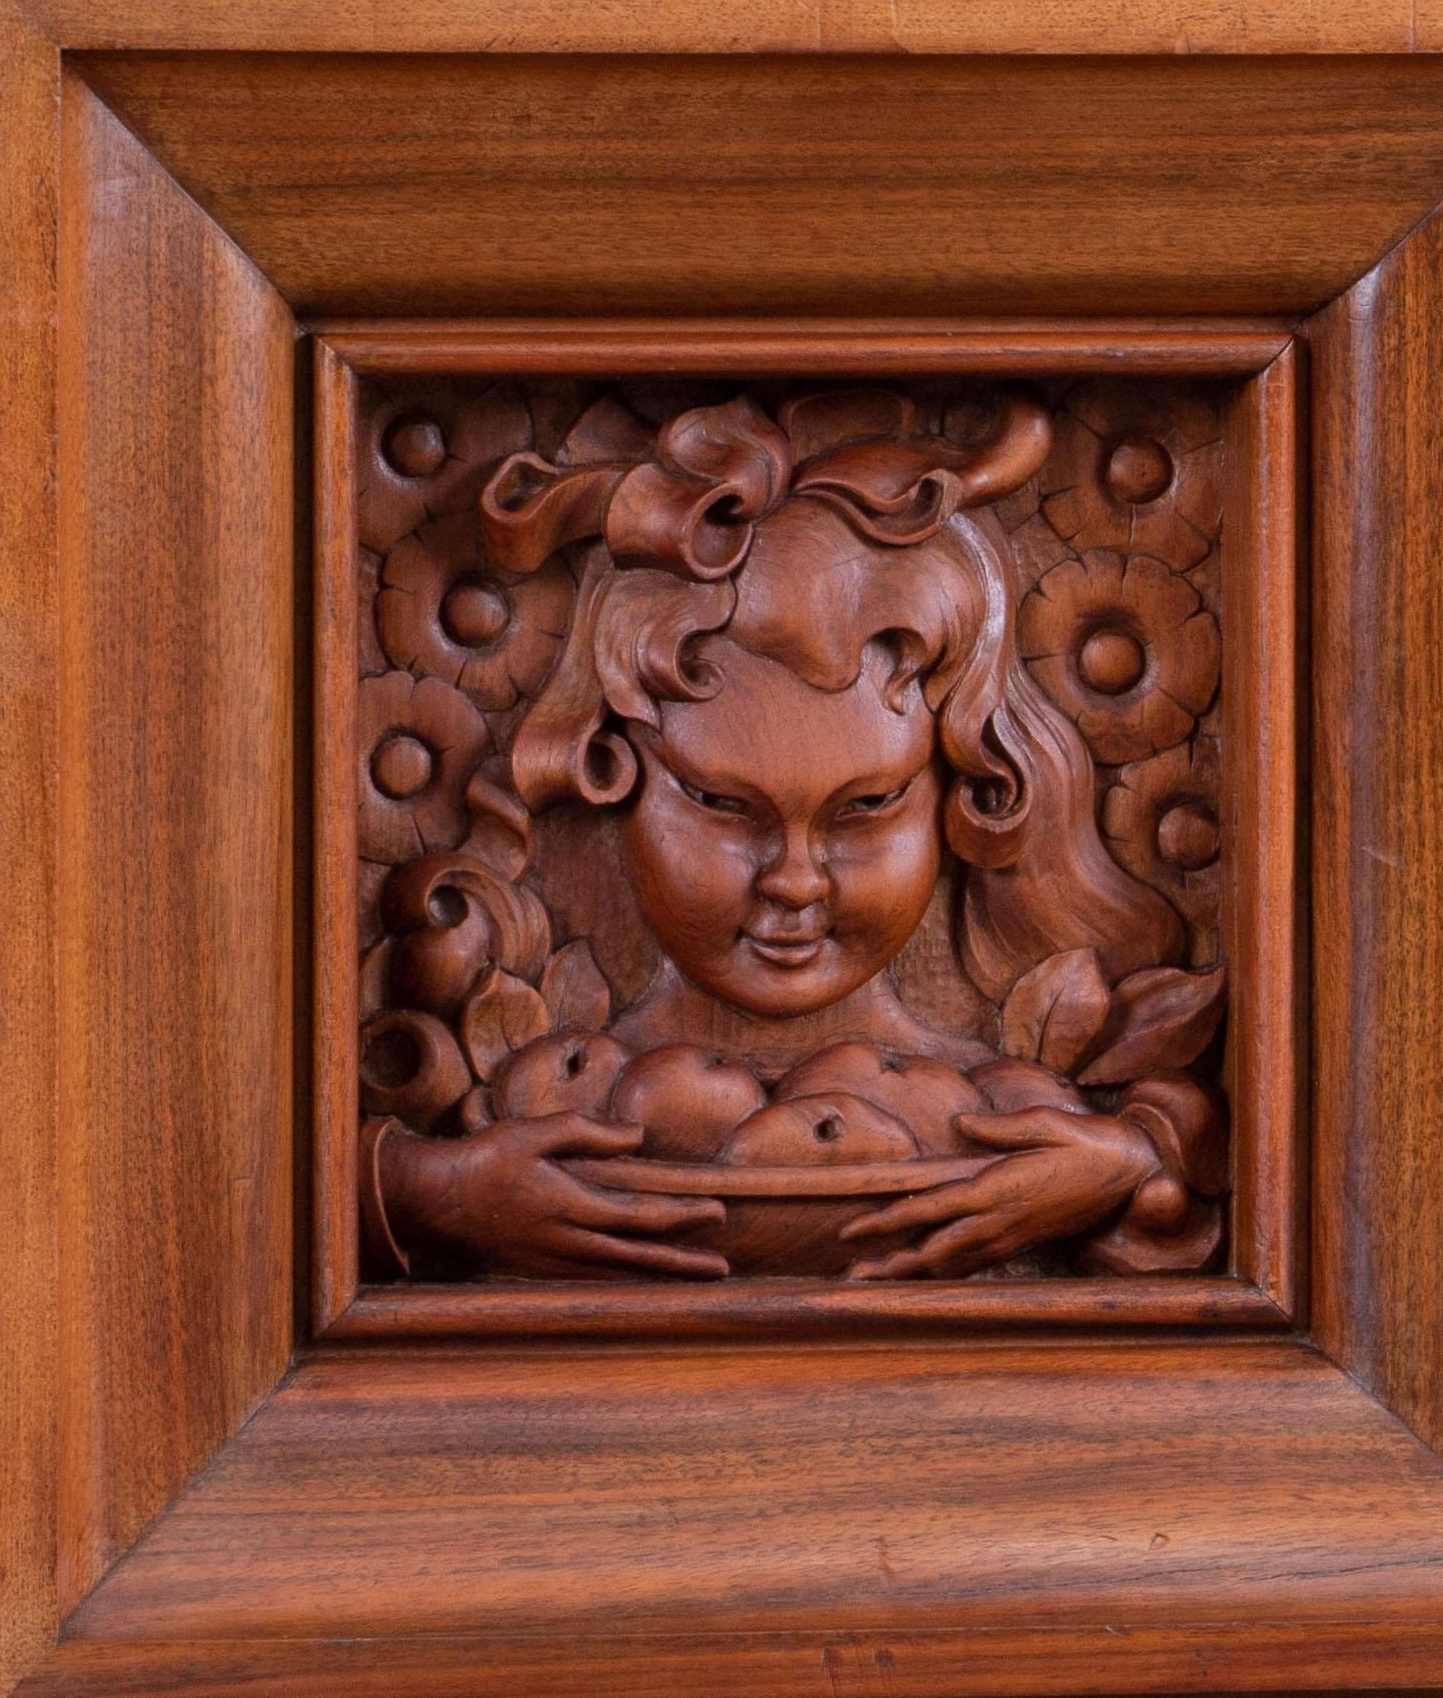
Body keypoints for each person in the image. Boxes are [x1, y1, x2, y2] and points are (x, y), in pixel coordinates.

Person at [361, 395, 1218, 1286]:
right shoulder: (541, 1084)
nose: (796, 882)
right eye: (724, 805)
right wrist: (435, 1187)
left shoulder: (1022, 1097)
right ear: (610, 771)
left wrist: (1131, 1164)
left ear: (970, 793)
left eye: (868, 806)